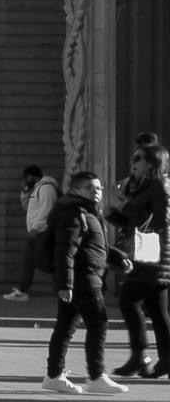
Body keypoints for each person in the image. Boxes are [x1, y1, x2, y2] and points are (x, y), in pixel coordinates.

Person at [43, 167, 119, 395]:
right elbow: (65, 250)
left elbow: (95, 245)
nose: (97, 192)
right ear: (76, 190)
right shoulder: (73, 213)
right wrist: (65, 284)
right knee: (98, 323)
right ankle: (95, 376)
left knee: (65, 326)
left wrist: (118, 258)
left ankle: (54, 376)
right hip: (83, 277)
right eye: (90, 188)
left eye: (99, 188)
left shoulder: (87, 211)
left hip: (86, 275)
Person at [111, 136, 168, 379]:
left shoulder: (159, 186)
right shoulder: (145, 186)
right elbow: (134, 221)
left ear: (151, 162)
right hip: (148, 252)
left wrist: (125, 206)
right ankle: (166, 360)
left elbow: (162, 220)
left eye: (137, 159)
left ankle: (139, 356)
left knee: (128, 301)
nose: (132, 163)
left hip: (154, 254)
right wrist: (113, 213)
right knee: (156, 309)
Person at [12, 166, 65, 303]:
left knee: (46, 262)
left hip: (43, 232)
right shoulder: (37, 188)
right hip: (39, 232)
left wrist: (35, 229)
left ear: (34, 176)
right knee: (34, 261)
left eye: (27, 177)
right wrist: (25, 190)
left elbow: (47, 210)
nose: (25, 180)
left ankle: (60, 290)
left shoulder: (46, 188)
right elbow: (26, 205)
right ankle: (23, 291)